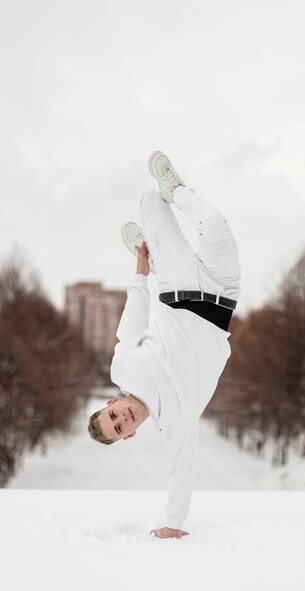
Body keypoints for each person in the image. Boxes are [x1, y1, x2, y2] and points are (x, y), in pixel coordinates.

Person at [88, 151, 241, 539]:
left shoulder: (122, 369)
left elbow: (133, 323)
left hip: (177, 286)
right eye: (121, 429)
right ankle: (161, 241)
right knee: (218, 227)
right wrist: (173, 525)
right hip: (223, 294)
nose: (124, 419)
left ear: (112, 403)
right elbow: (181, 472)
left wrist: (139, 274)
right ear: (130, 436)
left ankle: (174, 194)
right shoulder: (176, 424)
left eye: (115, 416)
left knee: (149, 199)